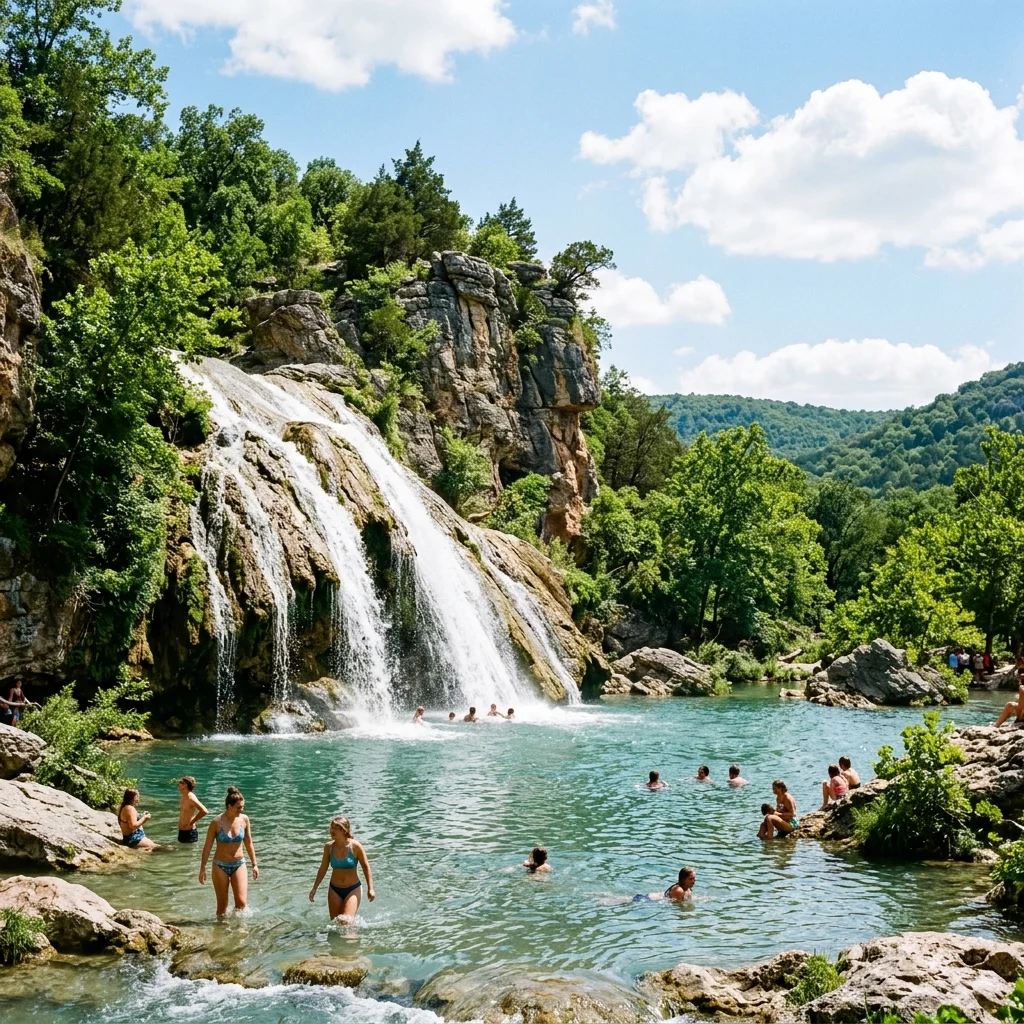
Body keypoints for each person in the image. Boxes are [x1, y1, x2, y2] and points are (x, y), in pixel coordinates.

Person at [199, 786, 259, 916]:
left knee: (242, 904)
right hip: (220, 866)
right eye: (239, 807)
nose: (241, 809)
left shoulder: (244, 819)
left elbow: (248, 842)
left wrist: (254, 864)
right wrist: (203, 868)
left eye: (242, 806)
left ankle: (238, 931)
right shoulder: (216, 822)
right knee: (222, 908)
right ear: (229, 806)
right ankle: (220, 932)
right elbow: (207, 846)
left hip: (239, 864)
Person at [309, 815, 375, 921]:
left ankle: (353, 937)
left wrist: (370, 888)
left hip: (353, 889)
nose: (332, 831)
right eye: (331, 828)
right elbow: (323, 869)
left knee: (345, 921)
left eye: (336, 828)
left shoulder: (355, 846)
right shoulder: (328, 847)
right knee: (335, 922)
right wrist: (314, 889)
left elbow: (366, 867)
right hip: (334, 889)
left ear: (344, 830)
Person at [177, 776, 208, 844]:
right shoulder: (183, 795)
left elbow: (204, 811)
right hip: (182, 831)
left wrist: (192, 822)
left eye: (181, 782)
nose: (178, 784)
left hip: (189, 832)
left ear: (186, 785)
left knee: (188, 853)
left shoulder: (191, 798)